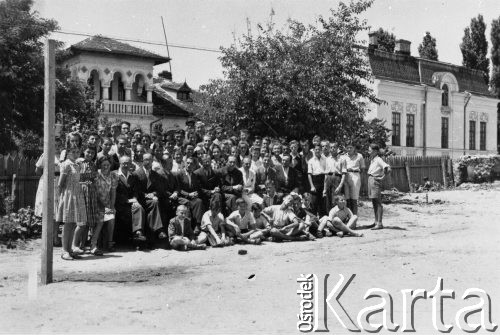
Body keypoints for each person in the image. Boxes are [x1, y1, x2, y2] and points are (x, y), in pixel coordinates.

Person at [56, 146, 87, 260]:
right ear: (68, 153)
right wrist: (60, 199)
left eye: (77, 151)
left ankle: (69, 249)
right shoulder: (67, 164)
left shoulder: (77, 165)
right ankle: (64, 251)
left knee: (74, 223)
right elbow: (60, 184)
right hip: (68, 195)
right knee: (68, 223)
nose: (75, 153)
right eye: (73, 152)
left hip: (77, 196)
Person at [132, 153, 168, 242]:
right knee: (148, 204)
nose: (148, 162)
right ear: (142, 161)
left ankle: (159, 230)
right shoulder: (136, 174)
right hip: (140, 199)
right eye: (146, 160)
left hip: (150, 200)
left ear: (152, 161)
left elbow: (159, 190)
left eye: (150, 160)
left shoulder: (156, 175)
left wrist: (154, 194)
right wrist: (145, 195)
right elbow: (135, 190)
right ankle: (139, 232)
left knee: (155, 202)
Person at [34, 136, 63, 246]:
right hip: (47, 181)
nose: (57, 147)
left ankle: (55, 237)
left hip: (59, 182)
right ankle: (46, 238)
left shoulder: (63, 156)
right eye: (55, 144)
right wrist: (47, 172)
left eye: (59, 145)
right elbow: (37, 170)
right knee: (47, 210)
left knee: (57, 211)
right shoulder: (45, 154)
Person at [114, 156, 147, 245]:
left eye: (127, 163)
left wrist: (135, 199)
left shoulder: (133, 176)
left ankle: (138, 233)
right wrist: (126, 200)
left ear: (130, 164)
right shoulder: (114, 174)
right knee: (137, 209)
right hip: (118, 204)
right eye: (123, 163)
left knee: (139, 207)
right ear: (119, 163)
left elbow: (136, 190)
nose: (125, 165)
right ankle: (137, 232)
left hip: (131, 203)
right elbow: (113, 192)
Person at [73, 145, 100, 254]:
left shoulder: (93, 165)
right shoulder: (79, 162)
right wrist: (83, 183)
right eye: (88, 152)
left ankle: (83, 245)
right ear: (84, 151)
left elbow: (94, 179)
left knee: (88, 221)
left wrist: (92, 183)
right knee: (81, 221)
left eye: (92, 153)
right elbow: (75, 177)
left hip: (91, 193)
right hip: (81, 192)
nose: (90, 154)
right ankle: (74, 244)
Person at [93, 157, 118, 254]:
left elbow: (113, 192)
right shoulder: (96, 174)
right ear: (100, 165)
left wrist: (111, 206)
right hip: (96, 202)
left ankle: (109, 243)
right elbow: (93, 190)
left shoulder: (113, 176)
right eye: (103, 165)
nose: (106, 167)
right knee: (99, 221)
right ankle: (94, 244)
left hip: (107, 203)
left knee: (111, 218)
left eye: (107, 165)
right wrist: (100, 203)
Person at [176, 157, 204, 232]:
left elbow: (197, 187)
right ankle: (187, 228)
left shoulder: (194, 175)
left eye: (191, 163)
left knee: (199, 201)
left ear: (194, 166)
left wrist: (195, 193)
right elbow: (178, 189)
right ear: (184, 163)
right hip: (181, 197)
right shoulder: (179, 174)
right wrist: (188, 194)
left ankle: (197, 225)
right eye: (187, 163)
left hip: (191, 197)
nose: (189, 165)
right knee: (187, 203)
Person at [367, 143, 391, 230]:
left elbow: (388, 168)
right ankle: (376, 222)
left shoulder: (378, 159)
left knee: (378, 202)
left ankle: (380, 223)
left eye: (370, 149)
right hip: (370, 179)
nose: (368, 151)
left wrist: (382, 178)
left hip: (375, 180)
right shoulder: (372, 159)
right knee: (374, 202)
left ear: (375, 151)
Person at [323, 142, 347, 212]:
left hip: (337, 179)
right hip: (329, 179)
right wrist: (324, 188)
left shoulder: (342, 159)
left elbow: (344, 174)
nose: (332, 149)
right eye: (331, 147)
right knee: (328, 200)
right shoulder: (328, 159)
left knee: (336, 199)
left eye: (334, 147)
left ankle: (338, 217)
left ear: (337, 148)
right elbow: (326, 174)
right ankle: (329, 218)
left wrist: (340, 186)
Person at [344, 143, 365, 215]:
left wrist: (356, 173)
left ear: (354, 148)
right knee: (347, 198)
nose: (349, 149)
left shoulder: (359, 156)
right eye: (348, 148)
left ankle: (354, 219)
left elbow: (362, 169)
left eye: (351, 147)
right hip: (346, 176)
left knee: (354, 198)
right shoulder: (343, 156)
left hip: (355, 175)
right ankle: (348, 218)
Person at [307, 145, 327, 217]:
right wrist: (312, 186)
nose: (317, 151)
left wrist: (325, 187)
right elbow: (309, 174)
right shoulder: (311, 161)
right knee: (314, 203)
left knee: (323, 203)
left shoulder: (325, 159)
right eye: (316, 149)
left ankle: (323, 221)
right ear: (314, 150)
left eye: (319, 149)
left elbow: (326, 173)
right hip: (315, 181)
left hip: (323, 179)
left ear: (321, 150)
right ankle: (313, 224)